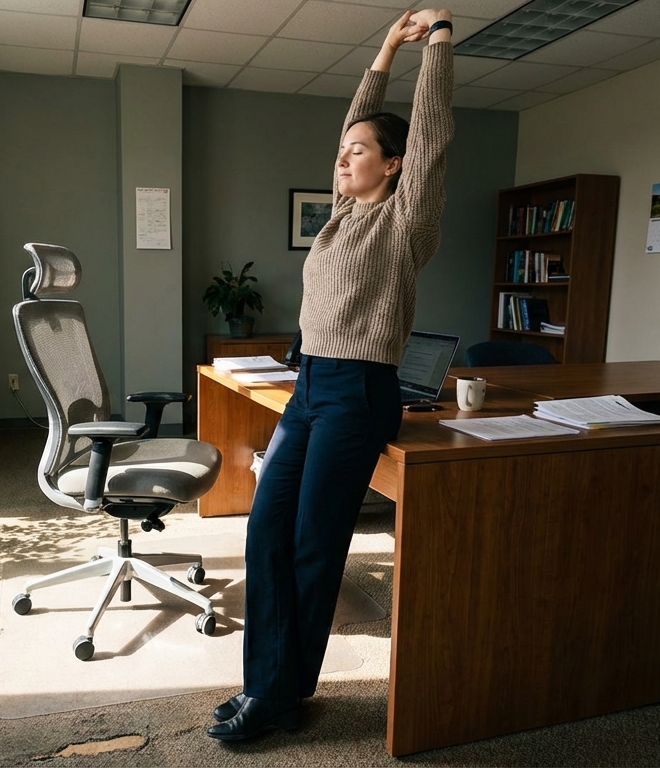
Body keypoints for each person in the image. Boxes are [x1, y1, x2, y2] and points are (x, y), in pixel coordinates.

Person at [206, 8, 456, 742]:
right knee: (265, 531)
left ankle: (278, 698)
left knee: (314, 543)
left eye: (359, 152)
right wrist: (382, 49)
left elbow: (433, 135)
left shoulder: (405, 222)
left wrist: (438, 38)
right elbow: (357, 121)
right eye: (342, 152)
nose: (344, 160)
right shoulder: (340, 218)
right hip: (310, 388)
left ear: (397, 164)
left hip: (358, 392)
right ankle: (268, 683)